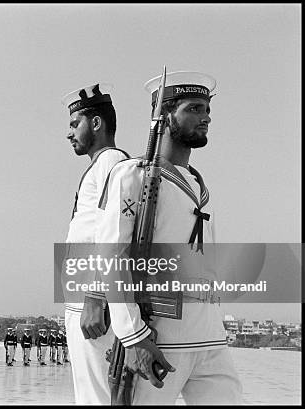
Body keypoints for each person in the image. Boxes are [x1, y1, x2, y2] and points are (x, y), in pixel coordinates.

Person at [92, 71, 242, 405]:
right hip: (160, 334)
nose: (205, 117)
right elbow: (112, 258)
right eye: (193, 108)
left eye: (206, 109)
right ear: (163, 116)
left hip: (208, 334)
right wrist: (132, 335)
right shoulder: (133, 176)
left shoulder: (200, 185)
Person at [60, 82, 129, 404]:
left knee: (97, 396)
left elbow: (112, 232)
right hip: (82, 294)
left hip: (92, 298)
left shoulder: (112, 163)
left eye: (75, 124)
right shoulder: (101, 165)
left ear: (97, 123)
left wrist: (95, 296)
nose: (69, 133)